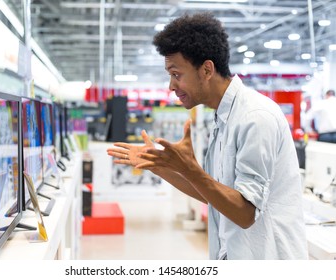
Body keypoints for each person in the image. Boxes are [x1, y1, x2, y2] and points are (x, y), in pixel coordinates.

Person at [107, 12, 308, 260]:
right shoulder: (223, 116)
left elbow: (245, 213)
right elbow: (211, 193)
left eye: (176, 74)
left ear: (206, 70)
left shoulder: (255, 117)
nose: (171, 85)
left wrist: (191, 169)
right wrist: (160, 166)